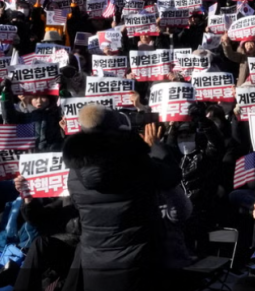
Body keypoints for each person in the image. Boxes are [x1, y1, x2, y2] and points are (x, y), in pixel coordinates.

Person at [62, 105, 178, 291]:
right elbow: (170, 177)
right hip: (140, 259)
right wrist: (156, 147)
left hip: (95, 261)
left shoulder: (75, 171)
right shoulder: (134, 162)